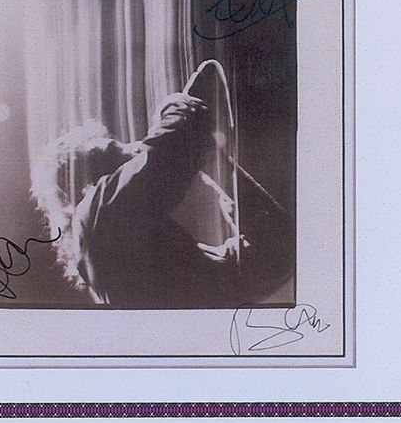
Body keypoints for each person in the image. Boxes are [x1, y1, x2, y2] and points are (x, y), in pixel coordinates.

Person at [32, 86, 282, 308]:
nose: (135, 147)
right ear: (89, 180)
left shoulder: (105, 245)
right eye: (115, 149)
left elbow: (272, 258)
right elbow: (183, 130)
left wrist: (228, 179)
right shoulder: (99, 211)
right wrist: (175, 104)